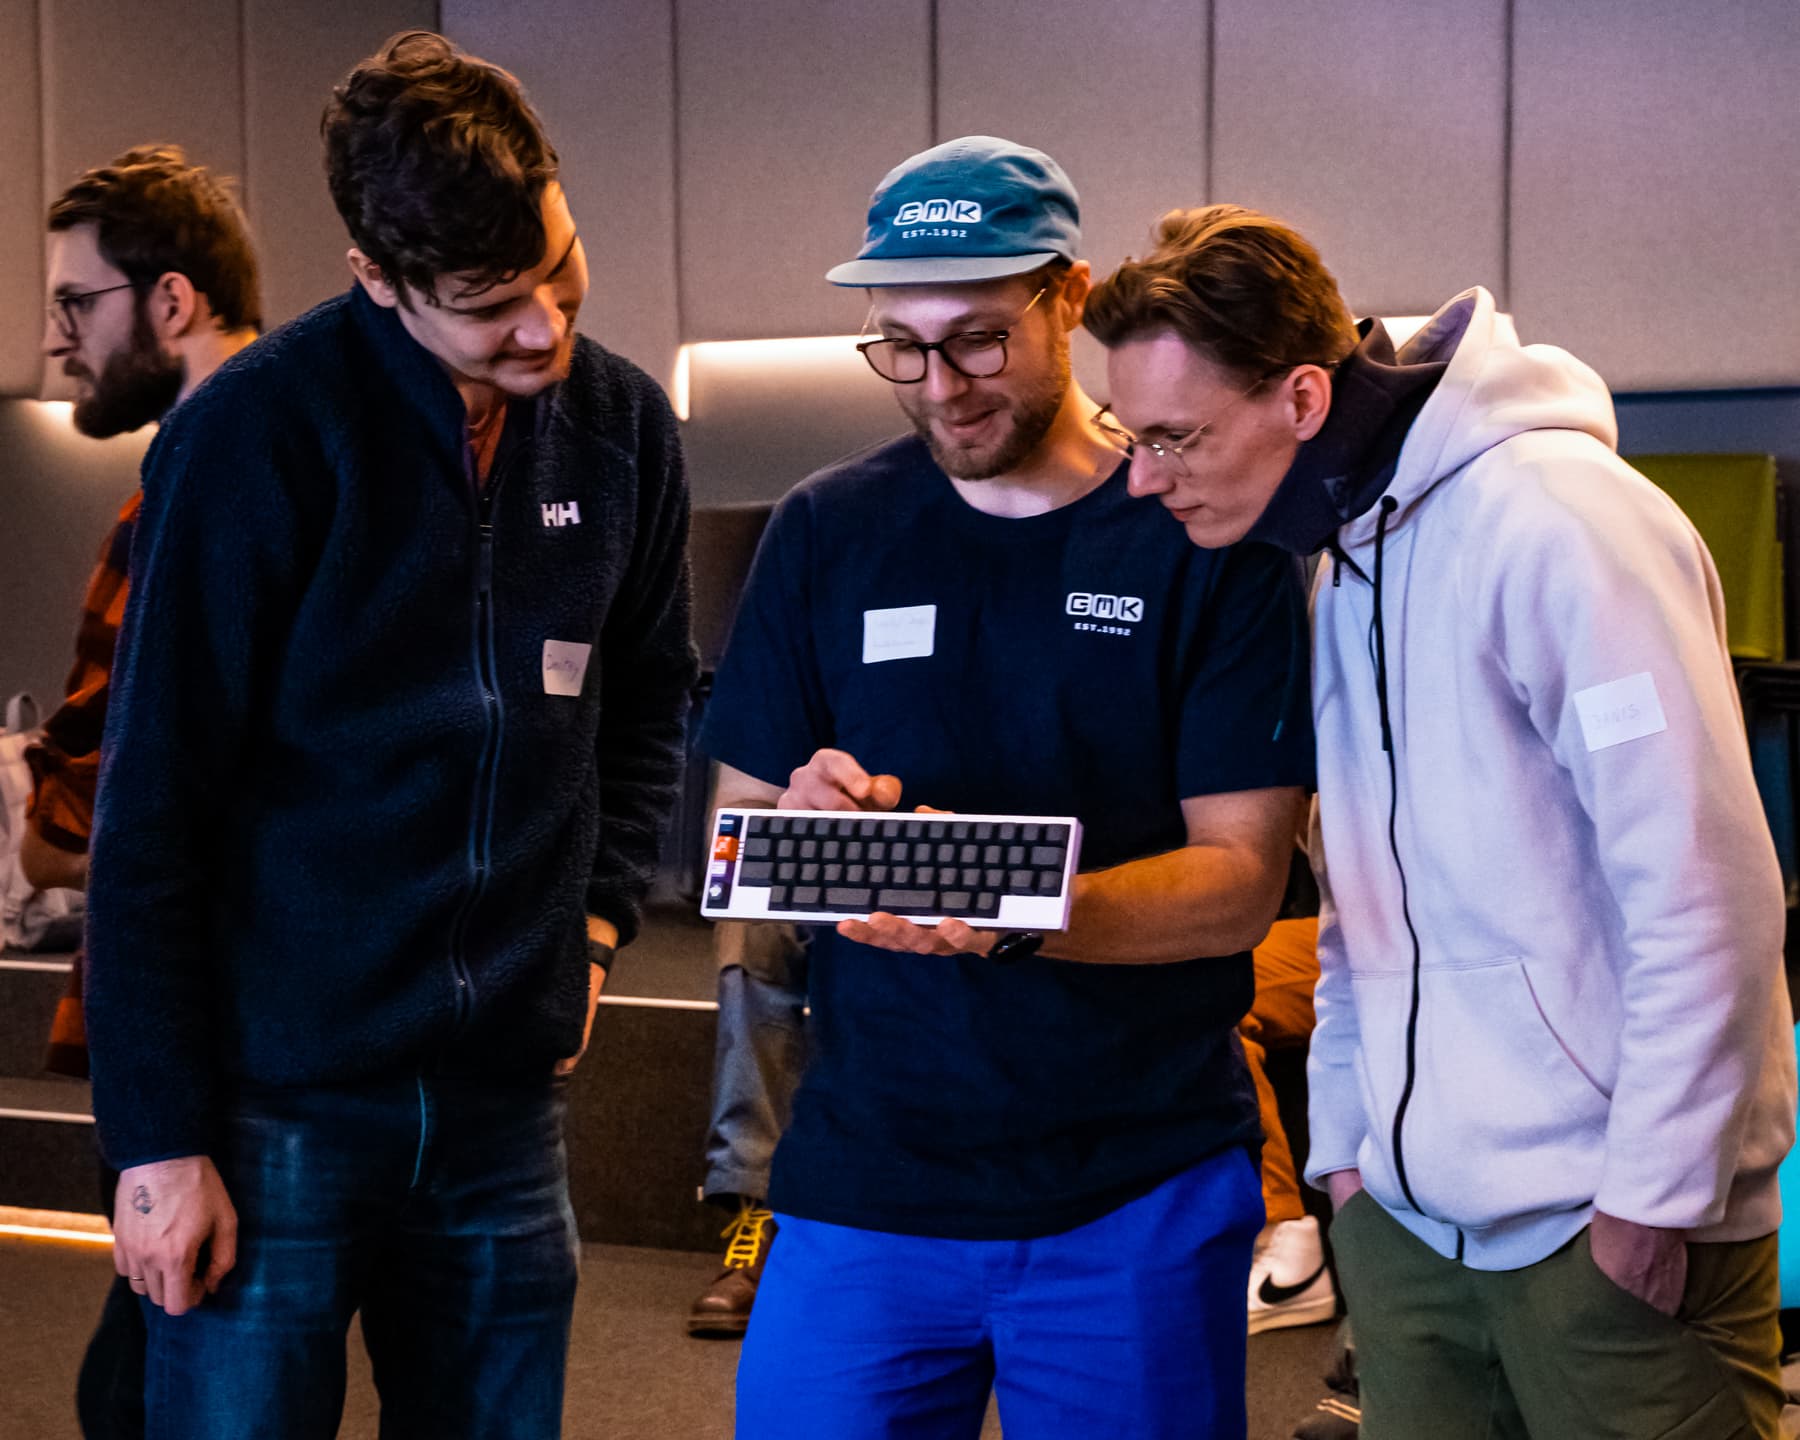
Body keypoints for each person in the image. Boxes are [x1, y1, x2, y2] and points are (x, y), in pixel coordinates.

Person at [1090, 204, 1797, 1438]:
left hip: (1611, 1225)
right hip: (1411, 1229)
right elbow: (1366, 902)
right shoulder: (1340, 552)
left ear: (1302, 401)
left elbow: (1707, 894)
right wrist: (1353, 1160)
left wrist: (1651, 1199)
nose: (1144, 477)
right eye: (1129, 436)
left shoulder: (1563, 523)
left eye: (1174, 438)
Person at [82, 31, 695, 1440]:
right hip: (274, 1104)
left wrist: (597, 925)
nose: (543, 325)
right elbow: (154, 807)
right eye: (490, 304)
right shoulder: (251, 438)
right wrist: (158, 1144)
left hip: (501, 1103)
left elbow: (648, 690)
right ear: (378, 278)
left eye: (559, 265)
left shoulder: (622, 428)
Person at [704, 137, 1313, 1439]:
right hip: (865, 1179)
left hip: (1130, 1185)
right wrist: (793, 825)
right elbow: (735, 844)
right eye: (901, 349)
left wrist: (1008, 905)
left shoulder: (1203, 530)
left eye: (978, 339)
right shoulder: (826, 529)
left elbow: (1239, 884)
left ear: (1070, 297)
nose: (941, 385)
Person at [27, 143, 263, 1440]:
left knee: (146, 1399)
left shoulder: (185, 500)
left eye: (75, 304)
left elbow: (81, 834)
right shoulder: (302, 464)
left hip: (206, 1046)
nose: (56, 341)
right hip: (243, 1036)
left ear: (171, 303)